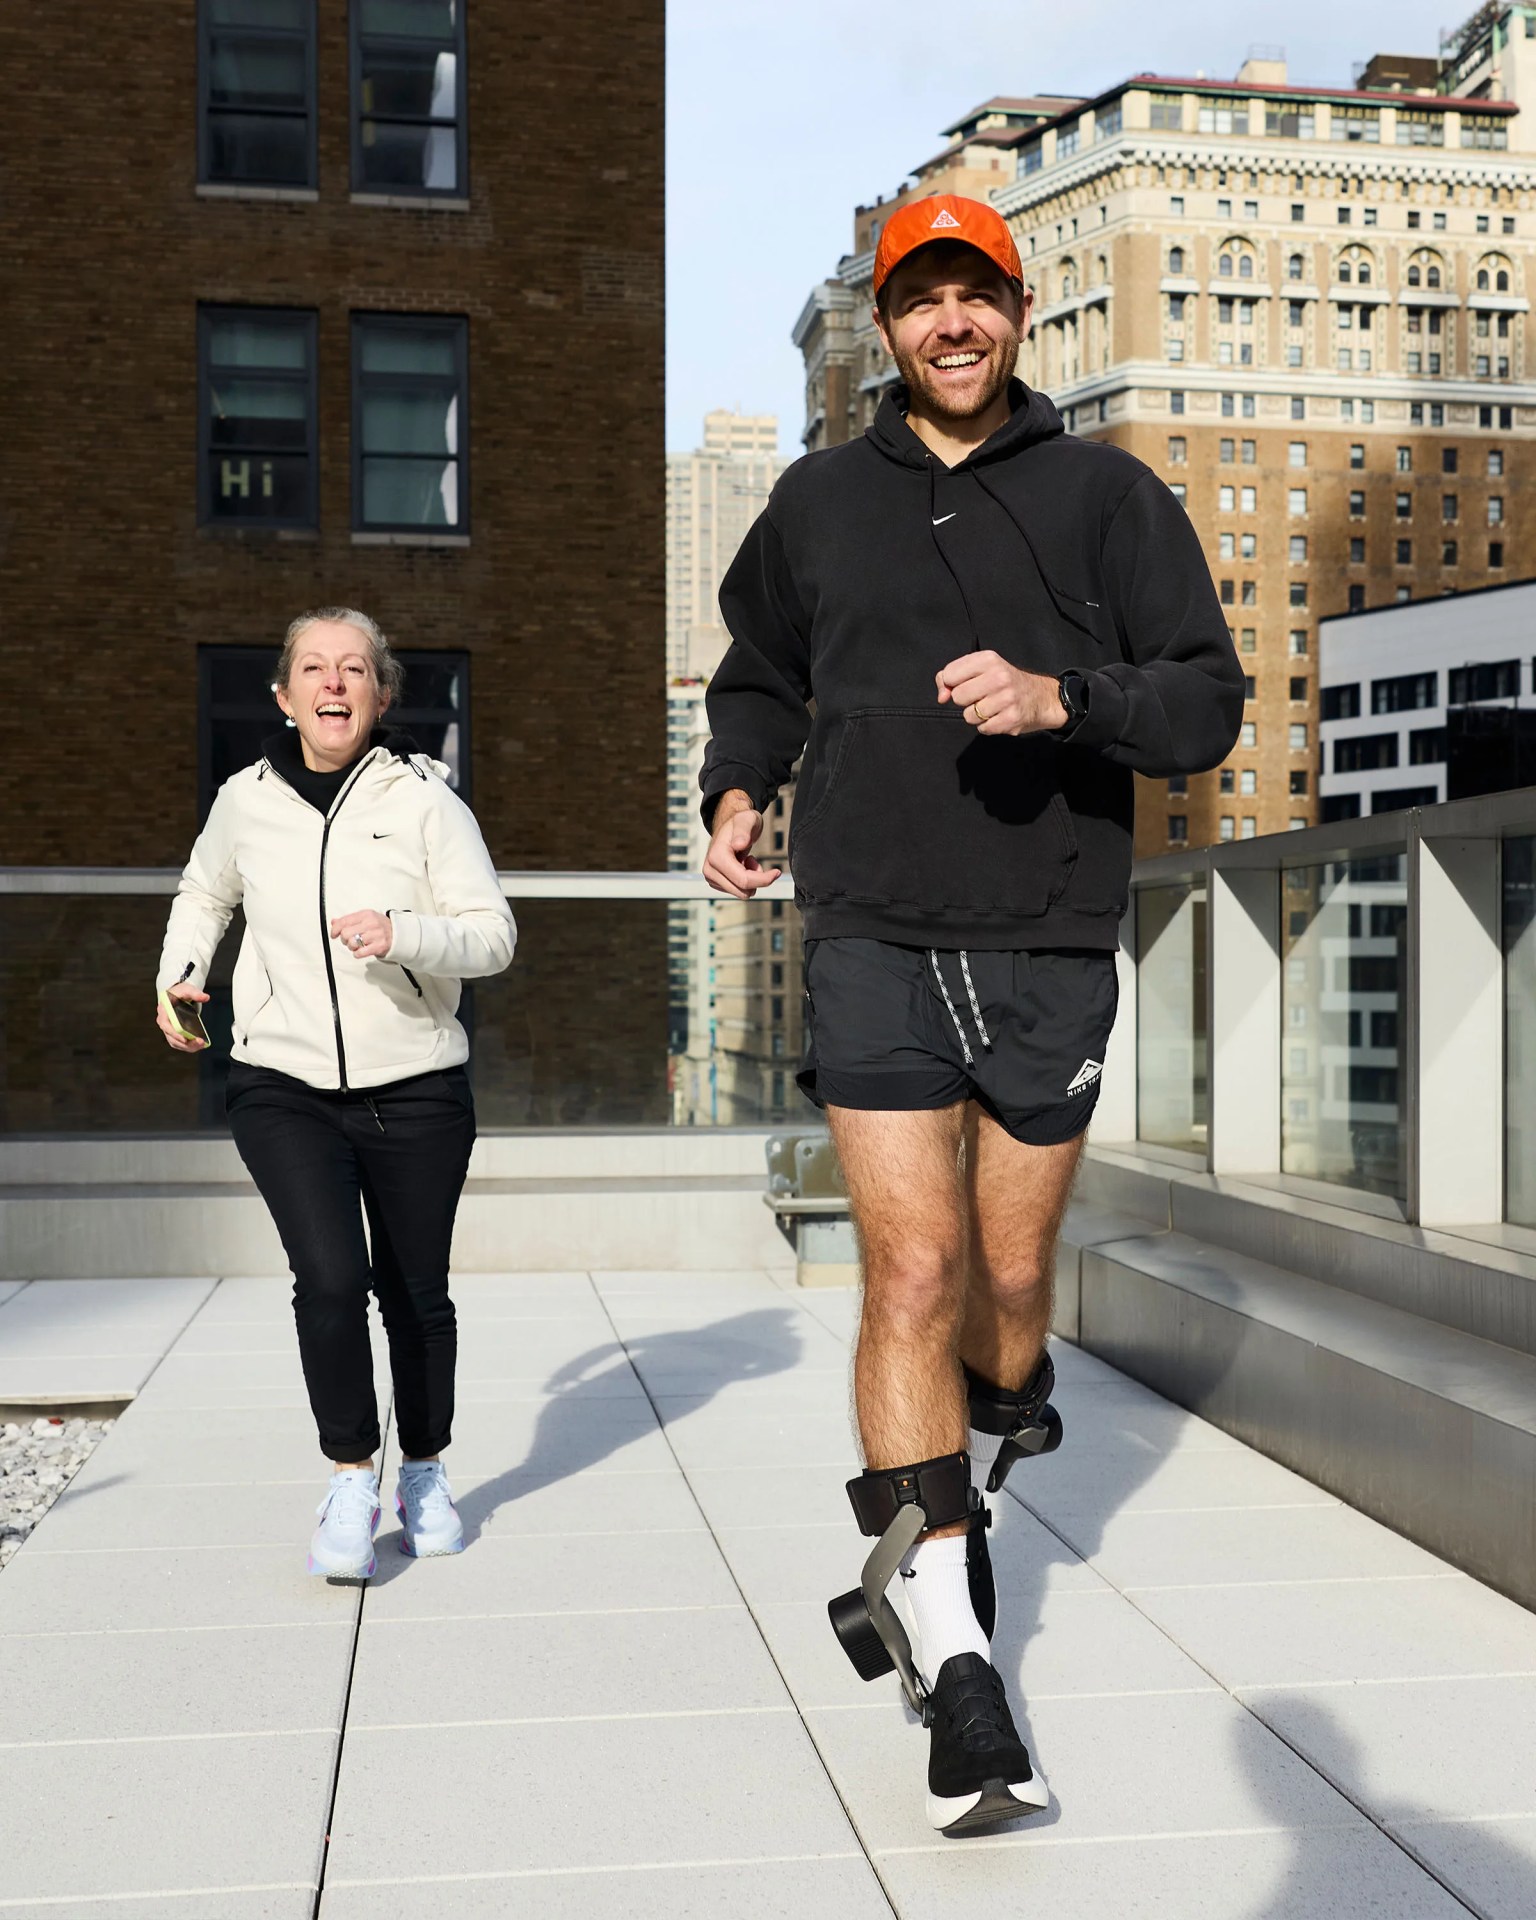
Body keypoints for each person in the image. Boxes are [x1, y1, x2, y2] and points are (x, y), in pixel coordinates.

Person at [700, 195, 1242, 1834]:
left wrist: (1062, 695)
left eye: (976, 298)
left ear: (1019, 317)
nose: (950, 325)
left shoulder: (1107, 497)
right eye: (919, 300)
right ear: (885, 327)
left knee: (1007, 1284)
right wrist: (737, 785)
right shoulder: (810, 503)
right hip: (867, 928)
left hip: (1048, 938)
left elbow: (1208, 702)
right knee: (913, 1272)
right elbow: (755, 676)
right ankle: (952, 1655)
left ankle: (987, 1437)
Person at [156, 608, 516, 1580]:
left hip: (419, 1088)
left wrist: (405, 933)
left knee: (415, 1296)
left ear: (380, 695)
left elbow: (493, 935)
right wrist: (182, 970)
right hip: (282, 1083)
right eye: (313, 667)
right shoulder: (245, 801)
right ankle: (352, 1474)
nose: (334, 681)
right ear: (284, 695)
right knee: (327, 1279)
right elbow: (204, 893)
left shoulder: (426, 802)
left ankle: (426, 1469)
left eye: (354, 668)